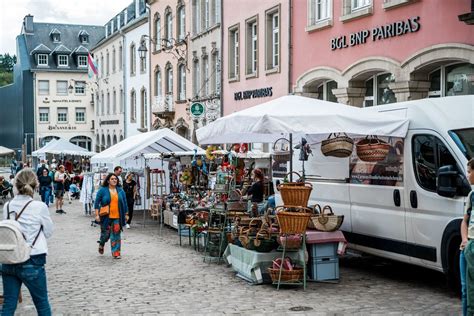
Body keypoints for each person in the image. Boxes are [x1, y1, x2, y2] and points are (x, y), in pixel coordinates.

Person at [1, 168, 54, 315]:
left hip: (10, 258)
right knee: (42, 303)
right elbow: (49, 232)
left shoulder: (8, 206)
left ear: (16, 185)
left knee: (8, 305)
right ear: (35, 185)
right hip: (33, 257)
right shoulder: (40, 207)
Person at [94, 173, 128, 259]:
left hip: (117, 216)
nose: (114, 180)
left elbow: (125, 203)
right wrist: (97, 215)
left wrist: (126, 214)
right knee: (106, 235)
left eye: (115, 179)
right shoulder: (102, 190)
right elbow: (96, 203)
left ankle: (116, 253)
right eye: (112, 179)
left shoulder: (120, 190)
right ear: (108, 181)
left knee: (116, 235)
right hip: (106, 217)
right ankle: (102, 243)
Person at [460, 158, 474, 316]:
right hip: (468, 245)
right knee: (466, 291)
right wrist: (465, 240)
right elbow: (464, 221)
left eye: (469, 171)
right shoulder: (472, 195)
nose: (467, 175)